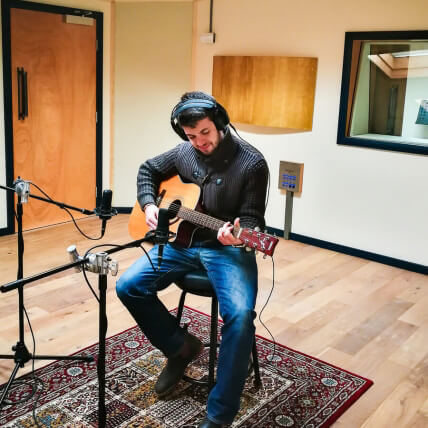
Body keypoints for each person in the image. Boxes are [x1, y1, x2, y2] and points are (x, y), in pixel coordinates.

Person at [116, 91, 268, 428]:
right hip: (181, 242)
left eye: (205, 133)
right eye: (191, 136)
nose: (199, 142)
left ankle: (218, 417)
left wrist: (242, 233)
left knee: (240, 316)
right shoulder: (184, 152)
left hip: (228, 249)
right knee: (128, 285)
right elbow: (147, 171)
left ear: (220, 124)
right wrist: (150, 205)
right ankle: (181, 347)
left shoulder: (251, 163)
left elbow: (253, 218)